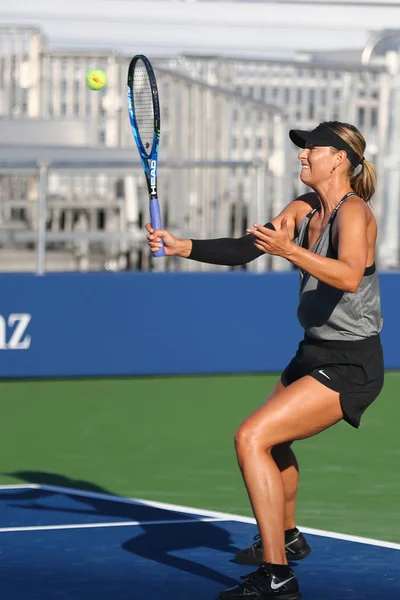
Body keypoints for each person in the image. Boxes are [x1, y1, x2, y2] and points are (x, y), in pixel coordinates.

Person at [145, 121, 384, 600]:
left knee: (252, 437)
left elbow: (349, 276)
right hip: (312, 350)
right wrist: (181, 246)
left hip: (351, 363)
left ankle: (276, 576)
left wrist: (291, 250)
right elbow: (246, 248)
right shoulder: (303, 207)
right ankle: (289, 538)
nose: (302, 156)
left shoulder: (353, 213)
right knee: (273, 444)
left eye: (310, 149)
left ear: (338, 158)